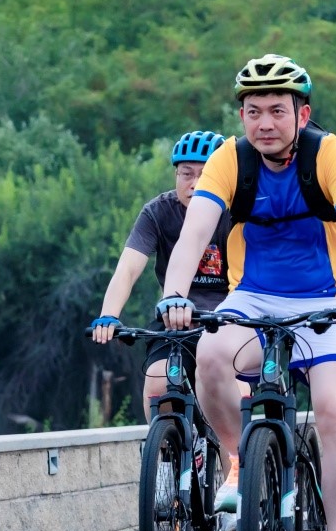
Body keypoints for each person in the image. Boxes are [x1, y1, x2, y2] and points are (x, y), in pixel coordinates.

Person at [157, 54, 336, 531]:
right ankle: (238, 461)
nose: (264, 123)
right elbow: (194, 233)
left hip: (331, 301)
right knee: (209, 355)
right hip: (254, 298)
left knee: (331, 411)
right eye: (253, 111)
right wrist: (173, 295)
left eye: (277, 110)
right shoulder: (231, 161)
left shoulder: (329, 153)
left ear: (301, 115)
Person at [90, 130, 231, 419]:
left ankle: (236, 454)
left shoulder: (236, 212)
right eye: (186, 174)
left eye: (205, 175)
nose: (194, 184)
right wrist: (109, 315)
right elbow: (128, 268)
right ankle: (163, 453)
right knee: (156, 382)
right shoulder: (158, 212)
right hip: (174, 318)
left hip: (229, 319)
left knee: (223, 384)